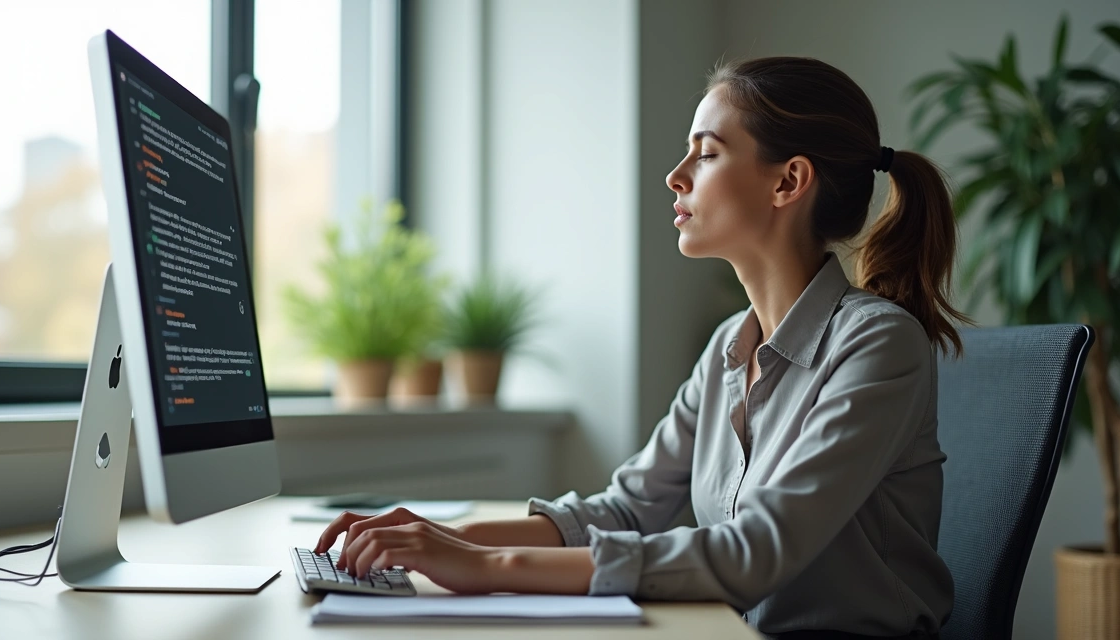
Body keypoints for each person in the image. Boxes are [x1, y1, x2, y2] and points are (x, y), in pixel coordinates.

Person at [315, 56, 967, 640]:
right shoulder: (727, 349)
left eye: (706, 154)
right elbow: (628, 507)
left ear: (788, 182)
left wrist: (487, 567)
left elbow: (755, 553)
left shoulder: (878, 344)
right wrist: (439, 539)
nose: (675, 176)